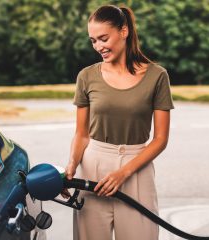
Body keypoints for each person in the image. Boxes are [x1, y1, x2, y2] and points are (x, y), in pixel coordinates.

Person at [64, 5, 174, 240]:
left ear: (124, 31)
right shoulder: (86, 76)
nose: (98, 47)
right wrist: (72, 166)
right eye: (93, 41)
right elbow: (81, 134)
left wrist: (123, 173)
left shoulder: (157, 76)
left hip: (136, 170)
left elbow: (161, 139)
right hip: (93, 168)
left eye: (103, 38)